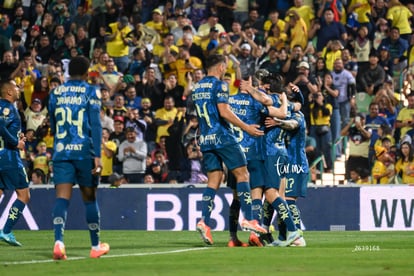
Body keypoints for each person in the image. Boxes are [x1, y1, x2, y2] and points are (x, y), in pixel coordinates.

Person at [193, 54, 266, 245]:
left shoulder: (197, 87)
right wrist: (247, 127)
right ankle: (250, 220)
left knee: (213, 180)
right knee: (243, 175)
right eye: (225, 66)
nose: (226, 70)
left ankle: (204, 222)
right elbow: (224, 112)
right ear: (220, 67)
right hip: (222, 137)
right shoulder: (220, 85)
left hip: (206, 139)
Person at [48, 56, 109, 260]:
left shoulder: (55, 92)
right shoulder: (90, 91)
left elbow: (53, 123)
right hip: (84, 152)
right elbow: (96, 124)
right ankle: (94, 246)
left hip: (61, 151)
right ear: (85, 73)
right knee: (89, 199)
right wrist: (98, 156)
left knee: (62, 199)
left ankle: (58, 242)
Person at [0, 79, 30, 246]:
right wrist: (15, 142)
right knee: (24, 195)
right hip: (9, 158)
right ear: (9, 92)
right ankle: (6, 231)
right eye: (16, 86)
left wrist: (17, 136)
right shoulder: (8, 107)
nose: (19, 88)